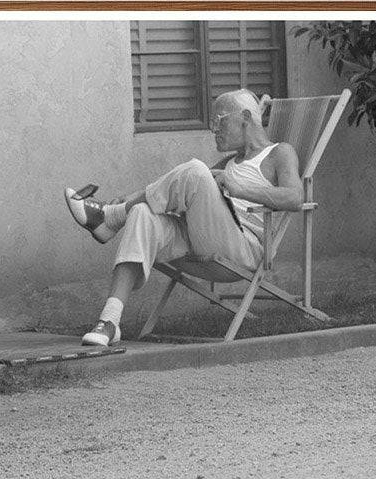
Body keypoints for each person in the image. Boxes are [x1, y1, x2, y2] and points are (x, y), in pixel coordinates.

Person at [64, 89, 304, 346]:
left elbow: (295, 198)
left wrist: (238, 188)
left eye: (219, 120)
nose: (214, 129)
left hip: (244, 249)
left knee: (196, 170)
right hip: (205, 240)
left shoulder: (279, 153)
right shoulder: (227, 163)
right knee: (142, 213)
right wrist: (133, 199)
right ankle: (109, 322)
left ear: (245, 117)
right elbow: (185, 194)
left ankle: (109, 218)